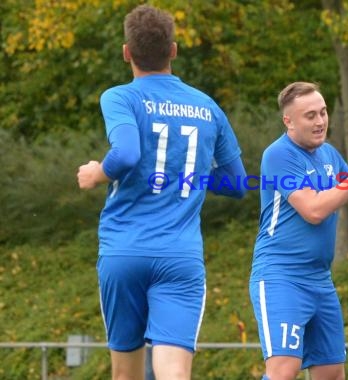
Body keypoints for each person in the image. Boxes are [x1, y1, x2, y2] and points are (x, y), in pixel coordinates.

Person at [76, 5, 246, 379]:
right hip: (179, 257)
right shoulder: (207, 106)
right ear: (173, 49)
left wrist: (97, 173)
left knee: (126, 374)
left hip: (123, 252)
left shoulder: (120, 98)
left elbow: (126, 153)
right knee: (173, 373)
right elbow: (236, 184)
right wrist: (192, 175)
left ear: (126, 52)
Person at [249, 81, 348, 380]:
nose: (321, 121)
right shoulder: (278, 155)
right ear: (289, 120)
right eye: (310, 115)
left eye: (323, 112)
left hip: (319, 279)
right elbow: (313, 210)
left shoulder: (328, 153)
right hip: (280, 276)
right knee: (284, 370)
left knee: (331, 371)